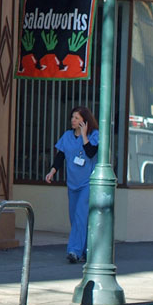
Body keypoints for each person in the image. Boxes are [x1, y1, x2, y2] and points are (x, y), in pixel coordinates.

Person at [44, 106, 100, 263]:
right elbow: (60, 156)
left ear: (85, 121)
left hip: (88, 183)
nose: (73, 120)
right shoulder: (67, 136)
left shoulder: (94, 135)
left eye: (77, 118)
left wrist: (84, 135)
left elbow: (91, 152)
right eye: (72, 117)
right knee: (75, 218)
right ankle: (87, 251)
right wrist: (52, 171)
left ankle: (74, 251)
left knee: (80, 216)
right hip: (73, 183)